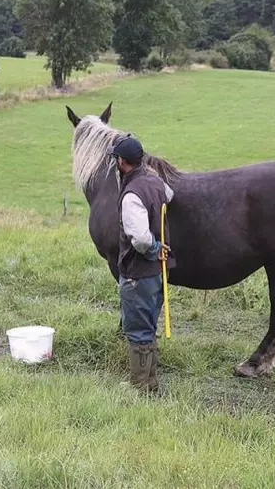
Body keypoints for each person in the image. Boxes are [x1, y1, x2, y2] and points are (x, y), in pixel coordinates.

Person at [107, 134, 175, 393]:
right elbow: (170, 195)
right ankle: (151, 382)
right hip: (158, 273)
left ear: (122, 162)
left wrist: (155, 248)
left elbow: (141, 239)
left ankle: (139, 386)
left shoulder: (131, 195)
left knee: (137, 330)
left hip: (138, 273)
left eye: (116, 159)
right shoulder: (155, 182)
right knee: (149, 325)